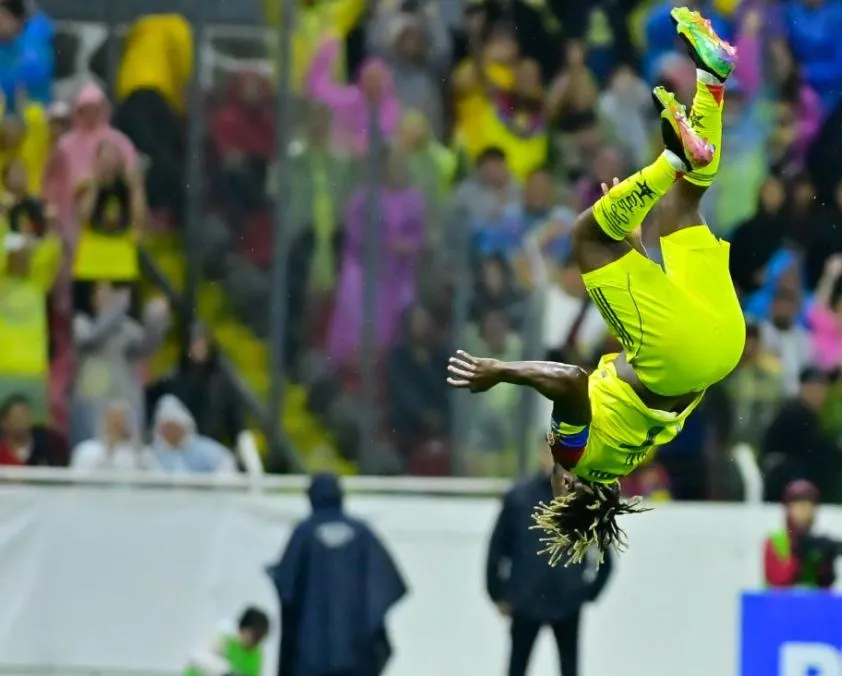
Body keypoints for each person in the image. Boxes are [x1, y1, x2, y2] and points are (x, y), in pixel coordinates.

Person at [447, 8, 744, 566]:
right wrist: (499, 370)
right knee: (587, 238)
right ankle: (670, 159)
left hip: (720, 351)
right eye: (556, 491)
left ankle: (712, 79)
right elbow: (569, 379)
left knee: (680, 207)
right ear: (570, 489)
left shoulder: (626, 460)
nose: (551, 480)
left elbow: (659, 350)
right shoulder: (574, 455)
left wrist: (635, 250)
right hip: (675, 358)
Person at [487, 454, 614, 676]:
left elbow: (603, 551)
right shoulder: (520, 497)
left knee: (569, 668)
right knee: (517, 666)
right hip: (525, 599)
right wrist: (497, 592)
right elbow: (498, 547)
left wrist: (589, 591)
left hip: (567, 600)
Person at [270, 473, 408, 676]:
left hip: (310, 657)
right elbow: (388, 585)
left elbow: (287, 587)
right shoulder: (362, 533)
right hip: (358, 656)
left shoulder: (304, 533)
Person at [184, 606, 271, 676]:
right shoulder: (224, 637)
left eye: (258, 638)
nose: (253, 641)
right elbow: (198, 660)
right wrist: (224, 670)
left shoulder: (256, 655)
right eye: (251, 635)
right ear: (242, 627)